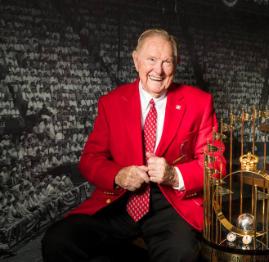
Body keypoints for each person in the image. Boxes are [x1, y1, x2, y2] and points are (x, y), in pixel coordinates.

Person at [42, 28, 226, 262]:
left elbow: (216, 165)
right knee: (58, 240)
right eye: (151, 60)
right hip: (119, 201)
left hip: (170, 206)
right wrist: (118, 175)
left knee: (181, 255)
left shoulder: (199, 103)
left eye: (166, 62)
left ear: (176, 65)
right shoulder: (111, 103)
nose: (158, 70)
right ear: (135, 60)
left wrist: (173, 174)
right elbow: (90, 160)